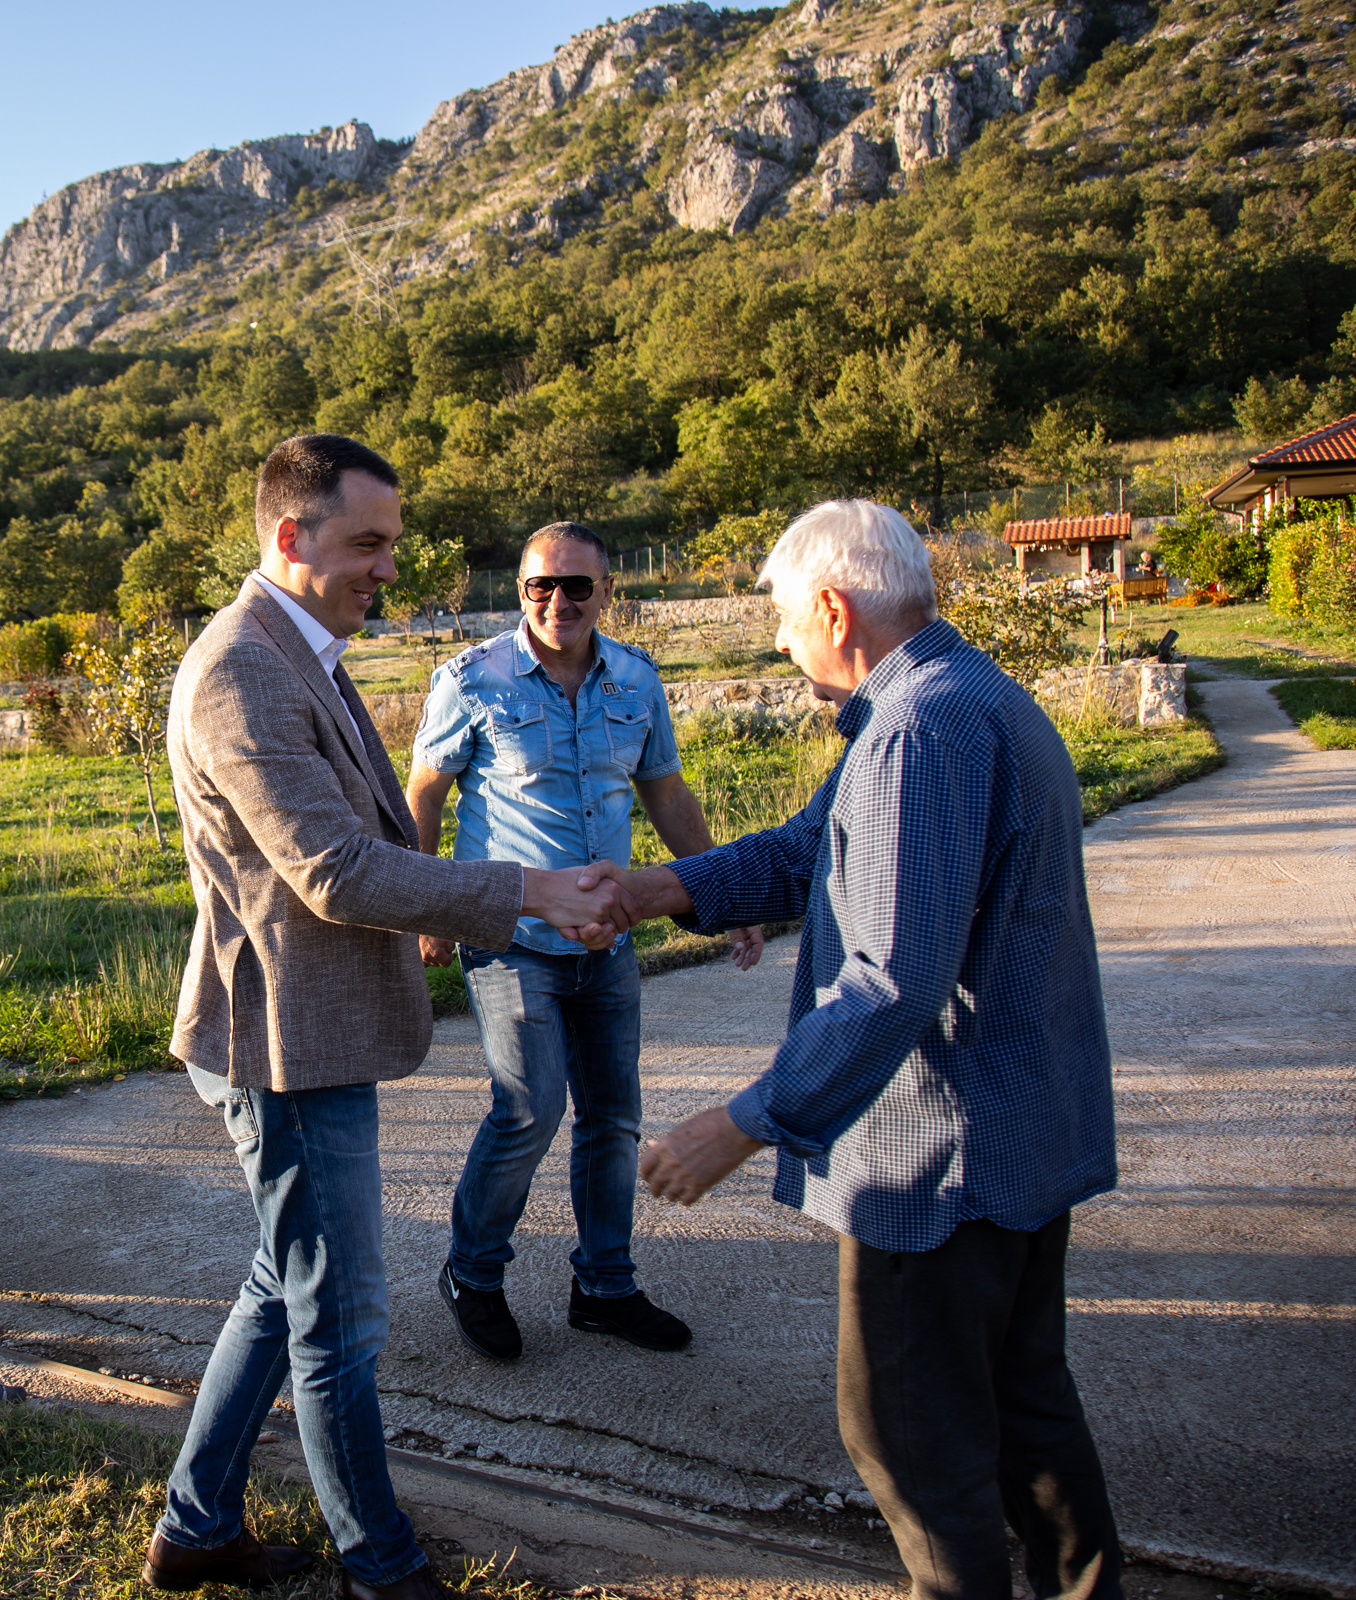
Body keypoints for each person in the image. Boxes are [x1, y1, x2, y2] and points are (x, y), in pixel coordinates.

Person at [579, 500, 1124, 1600]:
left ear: (833, 607)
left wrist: (738, 1123)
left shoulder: (918, 729)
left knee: (914, 1443)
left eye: (783, 618)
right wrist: (663, 887)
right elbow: (806, 852)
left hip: (939, 1167)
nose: (780, 642)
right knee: (1025, 1413)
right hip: (1016, 1143)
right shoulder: (959, 698)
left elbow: (892, 983)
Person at [148, 437, 633, 1600]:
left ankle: (196, 1526)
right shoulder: (242, 671)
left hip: (305, 1028)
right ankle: (381, 1563)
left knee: (286, 1283)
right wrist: (521, 889)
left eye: (391, 546)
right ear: (289, 537)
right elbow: (334, 869)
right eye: (365, 544)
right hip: (282, 1040)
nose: (386, 569)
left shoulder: (296, 649)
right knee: (340, 1319)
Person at [407, 521, 763, 1361]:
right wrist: (428, 908)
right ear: (520, 590)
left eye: (576, 586)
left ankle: (604, 1287)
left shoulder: (636, 680)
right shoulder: (470, 680)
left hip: (608, 939)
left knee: (611, 1117)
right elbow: (423, 794)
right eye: (540, 585)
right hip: (508, 934)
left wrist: (723, 889)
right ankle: (474, 1273)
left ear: (608, 591)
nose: (557, 601)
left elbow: (666, 792)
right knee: (529, 1109)